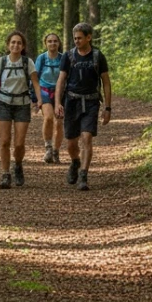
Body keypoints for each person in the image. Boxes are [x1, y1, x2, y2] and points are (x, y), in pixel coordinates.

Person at [54, 23, 112, 191]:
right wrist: (58, 103)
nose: (77, 41)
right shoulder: (68, 56)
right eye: (75, 38)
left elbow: (106, 83)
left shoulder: (98, 56)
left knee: (86, 137)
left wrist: (107, 108)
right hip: (71, 102)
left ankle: (83, 175)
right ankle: (75, 162)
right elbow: (61, 80)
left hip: (91, 102)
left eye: (80, 38)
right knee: (71, 143)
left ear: (89, 37)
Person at [0, 31, 42, 189]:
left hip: (22, 104)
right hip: (3, 102)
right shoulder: (1, 62)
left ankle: (18, 165)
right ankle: (5, 173)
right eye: (13, 42)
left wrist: (39, 100)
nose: (16, 45)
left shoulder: (27, 62)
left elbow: (35, 82)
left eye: (19, 43)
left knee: (19, 143)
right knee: (4, 141)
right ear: (8, 45)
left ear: (23, 46)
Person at [35, 33, 65, 164]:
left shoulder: (64, 58)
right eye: (49, 41)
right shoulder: (41, 58)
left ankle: (56, 151)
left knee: (59, 122)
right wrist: (34, 97)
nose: (52, 43)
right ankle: (48, 147)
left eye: (55, 41)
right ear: (45, 43)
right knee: (48, 118)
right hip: (44, 91)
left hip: (61, 93)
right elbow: (34, 78)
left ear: (59, 43)